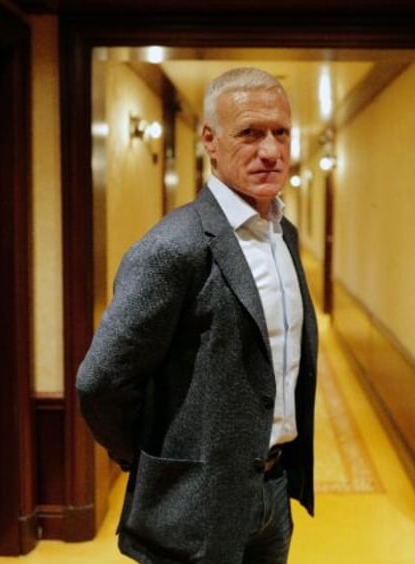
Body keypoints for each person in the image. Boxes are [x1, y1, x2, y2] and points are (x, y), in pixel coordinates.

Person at [76, 66, 318, 564]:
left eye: (281, 133)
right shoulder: (174, 248)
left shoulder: (283, 234)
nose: (270, 151)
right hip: (195, 507)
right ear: (209, 139)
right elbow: (101, 382)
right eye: (249, 133)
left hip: (271, 492)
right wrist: (155, 463)